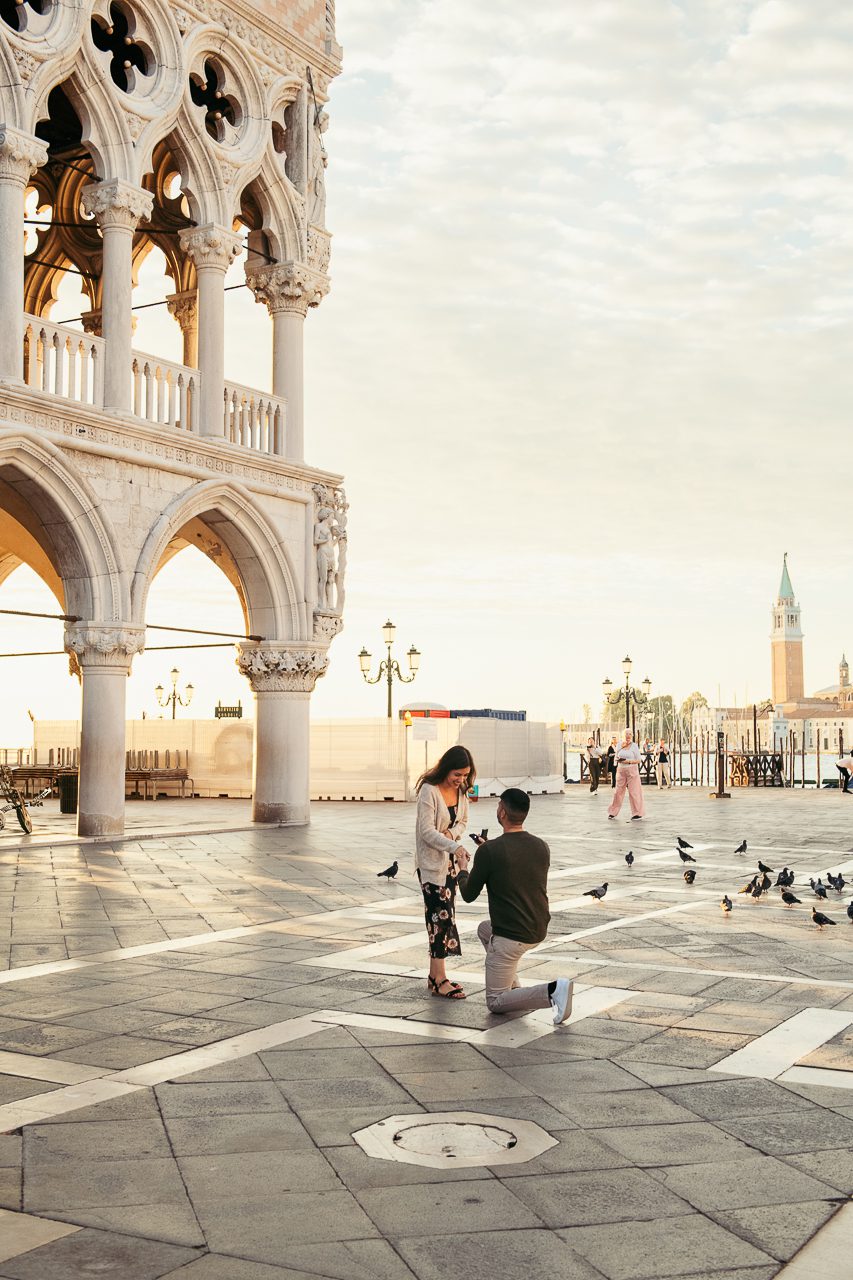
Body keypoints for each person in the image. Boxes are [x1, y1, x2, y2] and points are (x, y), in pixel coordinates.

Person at [454, 789, 573, 1024]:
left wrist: (463, 868)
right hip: (537, 928)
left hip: (511, 934)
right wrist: (487, 850)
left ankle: (552, 990)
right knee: (484, 930)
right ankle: (514, 988)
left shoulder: (491, 851)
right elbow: (514, 866)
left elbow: (468, 895)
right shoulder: (541, 846)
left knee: (496, 1002)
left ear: (502, 812)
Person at [414, 745, 475, 999]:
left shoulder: (461, 792)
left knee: (445, 917)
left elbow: (463, 821)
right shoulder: (429, 791)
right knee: (440, 921)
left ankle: (434, 975)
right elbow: (427, 832)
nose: (461, 780)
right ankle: (440, 979)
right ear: (446, 769)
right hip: (431, 866)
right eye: (457, 775)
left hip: (450, 864)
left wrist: (452, 835)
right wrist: (455, 845)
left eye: (465, 775)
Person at [608, 727, 645, 820]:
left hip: (632, 770)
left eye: (630, 734)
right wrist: (617, 762)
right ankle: (613, 812)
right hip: (621, 770)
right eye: (626, 734)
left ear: (632, 736)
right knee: (618, 792)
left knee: (634, 792)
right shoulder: (619, 744)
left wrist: (628, 761)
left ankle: (637, 813)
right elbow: (616, 757)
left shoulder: (634, 746)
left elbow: (638, 760)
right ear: (623, 735)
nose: (628, 736)